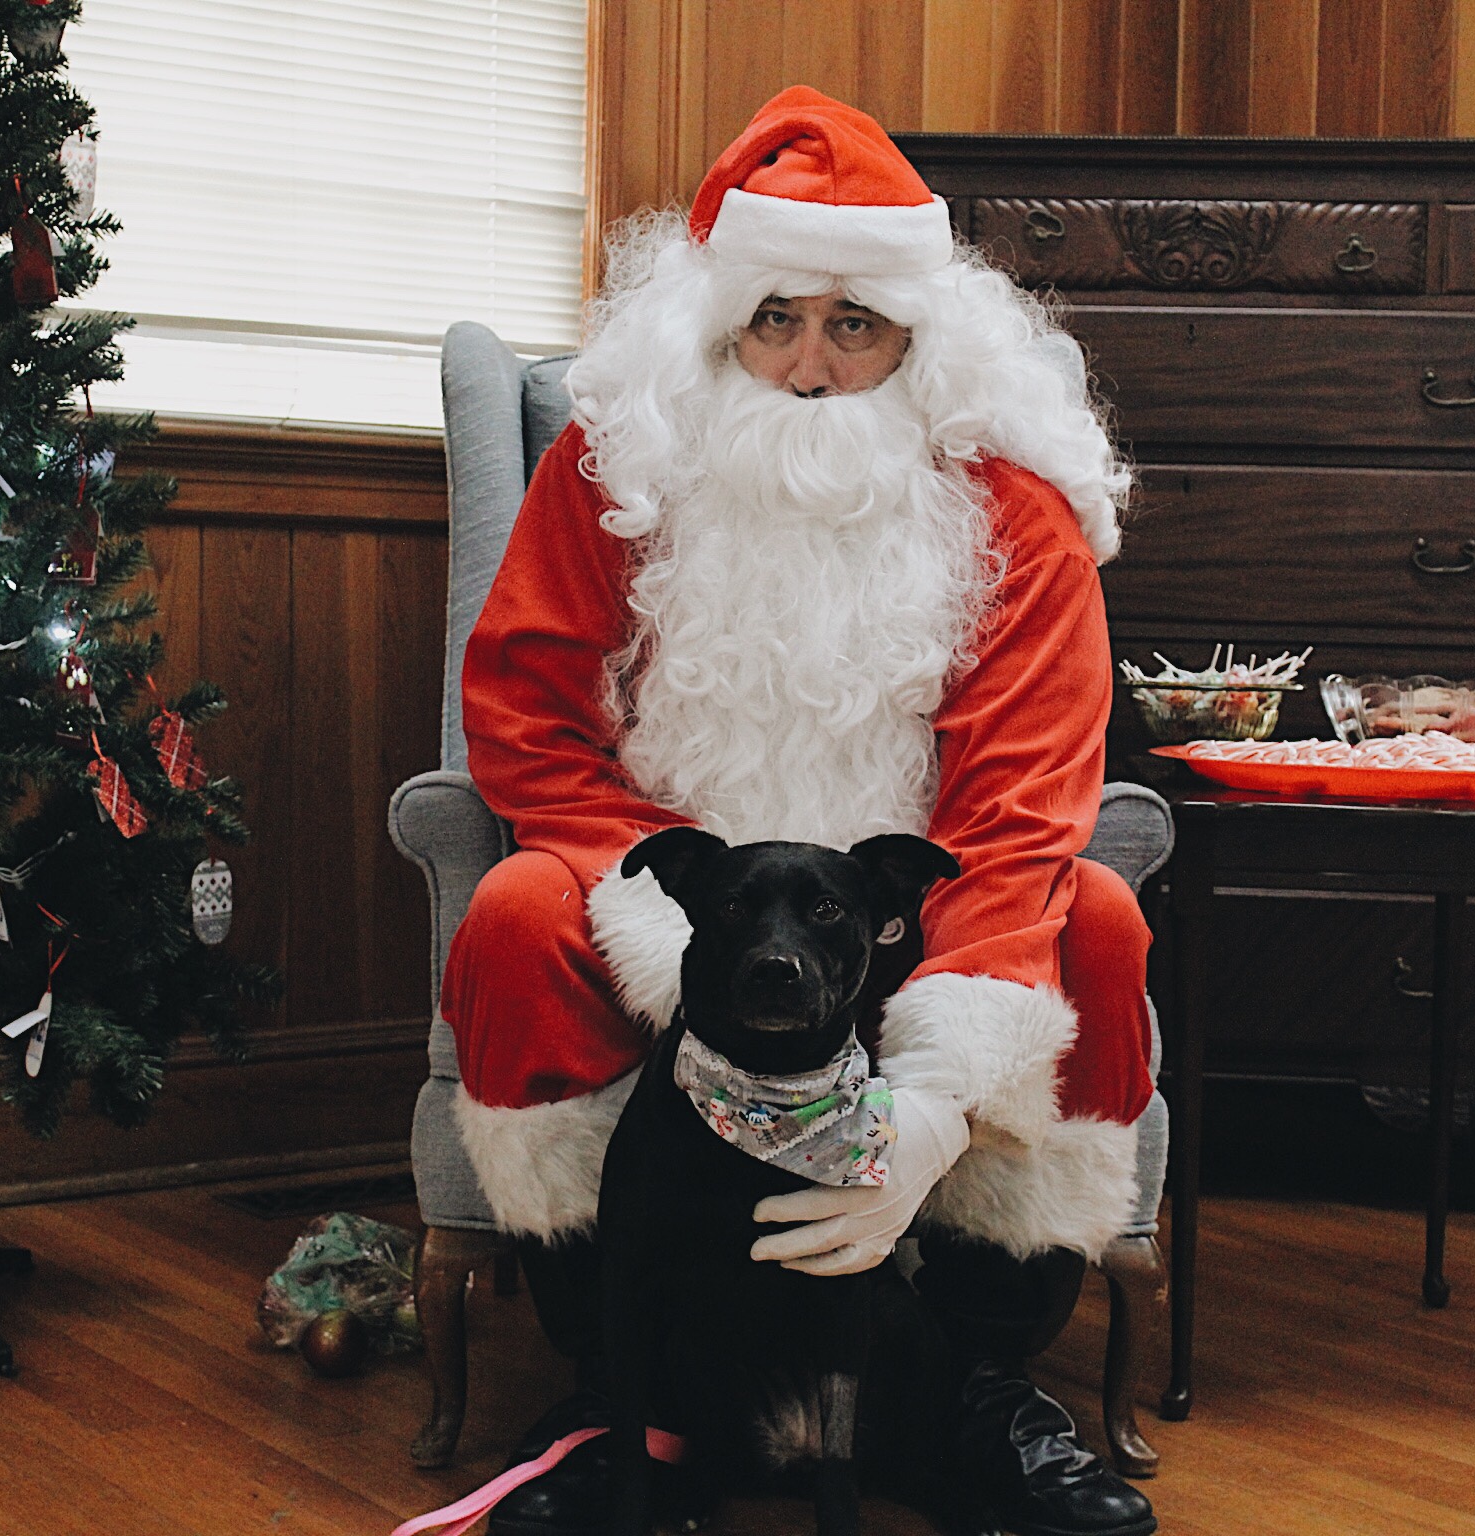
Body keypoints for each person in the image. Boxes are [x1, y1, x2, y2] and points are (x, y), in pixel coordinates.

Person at [445, 86, 1158, 1536]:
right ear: (717, 329)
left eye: (855, 326)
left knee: (1096, 921)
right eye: (774, 320)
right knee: (516, 917)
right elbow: (526, 715)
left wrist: (937, 1107)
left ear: (921, 341)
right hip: (684, 916)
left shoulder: (1012, 508)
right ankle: (626, 1399)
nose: (813, 371)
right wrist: (665, 927)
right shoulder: (615, 475)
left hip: (912, 927)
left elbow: (1022, 809)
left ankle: (971, 1384)